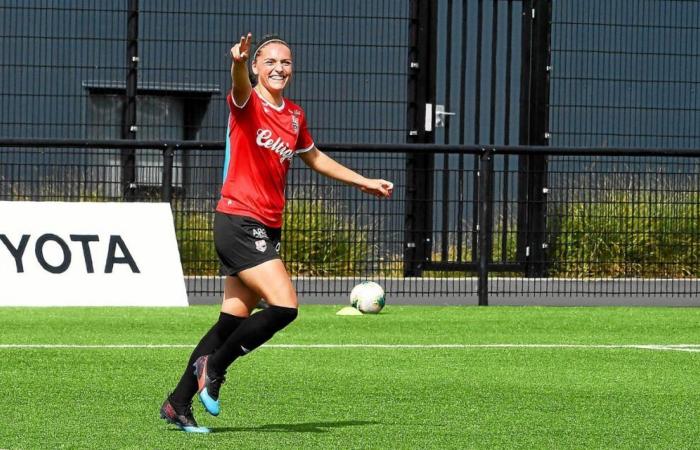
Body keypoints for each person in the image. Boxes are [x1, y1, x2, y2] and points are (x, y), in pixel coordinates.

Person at [160, 32, 393, 433]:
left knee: (229, 324)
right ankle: (212, 368)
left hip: (266, 226)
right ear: (255, 67)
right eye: (269, 62)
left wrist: (363, 181)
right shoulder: (246, 103)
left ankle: (177, 403)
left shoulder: (294, 115)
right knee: (285, 307)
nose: (278, 68)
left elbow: (315, 158)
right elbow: (237, 86)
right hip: (238, 219)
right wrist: (236, 63)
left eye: (285, 62)